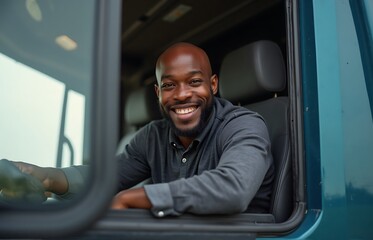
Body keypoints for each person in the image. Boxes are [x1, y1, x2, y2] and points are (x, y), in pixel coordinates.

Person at [4, 42, 274, 217]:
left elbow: (234, 188)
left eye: (194, 82)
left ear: (213, 85)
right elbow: (107, 178)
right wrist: (48, 177)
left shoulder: (244, 125)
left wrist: (133, 198)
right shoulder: (153, 135)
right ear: (158, 93)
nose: (182, 95)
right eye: (169, 86)